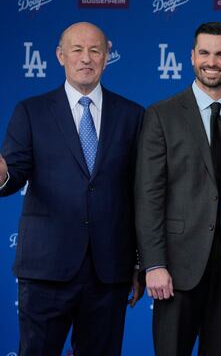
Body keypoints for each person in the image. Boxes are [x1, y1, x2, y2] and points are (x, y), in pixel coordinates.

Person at [0, 22, 144, 355]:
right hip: (46, 270)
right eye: (77, 50)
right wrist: (3, 174)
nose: (86, 58)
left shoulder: (132, 115)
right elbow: (14, 176)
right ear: (60, 56)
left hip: (108, 273)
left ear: (107, 57)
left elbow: (141, 193)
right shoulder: (31, 111)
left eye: (95, 50)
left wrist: (140, 261)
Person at [135, 21, 221, 356]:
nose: (211, 61)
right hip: (177, 268)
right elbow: (148, 195)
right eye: (204, 52)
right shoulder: (162, 114)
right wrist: (154, 264)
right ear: (191, 56)